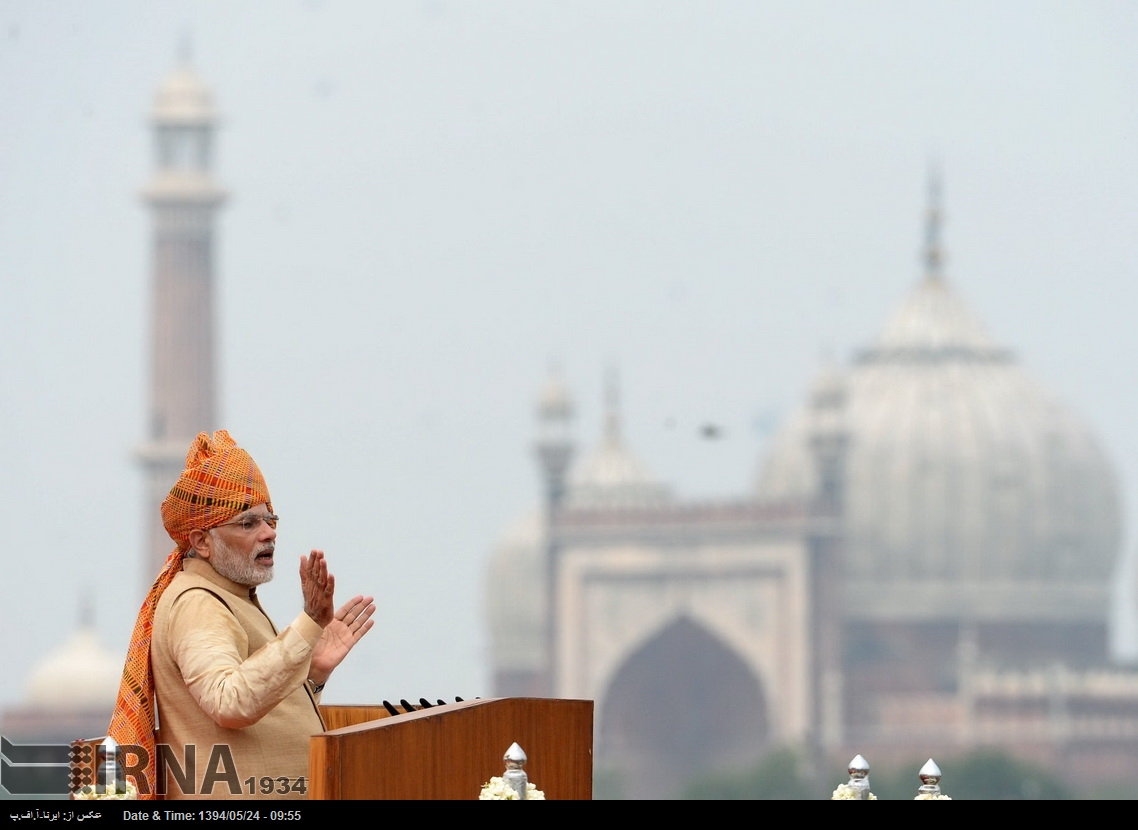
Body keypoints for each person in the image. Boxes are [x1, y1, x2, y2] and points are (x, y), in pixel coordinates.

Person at [107, 430, 375, 800]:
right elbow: (228, 702)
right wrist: (308, 624)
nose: (268, 534)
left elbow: (257, 709)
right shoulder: (197, 602)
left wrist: (312, 674)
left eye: (270, 519)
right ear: (202, 542)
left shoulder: (231, 596)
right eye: (248, 523)